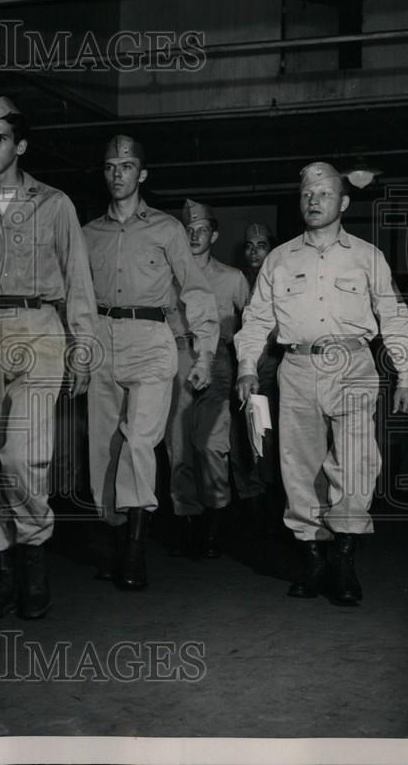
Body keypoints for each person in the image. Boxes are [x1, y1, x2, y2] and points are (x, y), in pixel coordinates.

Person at [235, 161, 408, 605]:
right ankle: (314, 562)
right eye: (306, 195)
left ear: (343, 202)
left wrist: (407, 374)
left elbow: (393, 315)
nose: (313, 201)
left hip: (353, 365)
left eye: (323, 194)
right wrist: (245, 367)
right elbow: (257, 318)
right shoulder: (279, 259)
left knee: (356, 466)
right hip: (296, 368)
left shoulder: (366, 256)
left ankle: (345, 561)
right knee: (299, 470)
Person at [0, 96, 97, 620]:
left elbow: (79, 280)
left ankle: (34, 558)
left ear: (21, 145)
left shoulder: (55, 204)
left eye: (1, 139)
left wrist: (82, 347)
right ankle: (1, 575)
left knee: (22, 457)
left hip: (40, 329)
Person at [82, 135, 219, 590]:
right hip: (102, 339)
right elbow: (77, 299)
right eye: (109, 166)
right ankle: (116, 545)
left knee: (140, 443)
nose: (117, 174)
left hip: (151, 339)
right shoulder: (88, 233)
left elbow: (196, 290)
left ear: (142, 174)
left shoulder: (166, 229)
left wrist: (204, 352)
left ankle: (136, 553)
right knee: (105, 449)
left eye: (126, 166)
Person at [165, 200, 249, 558]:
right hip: (177, 359)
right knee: (179, 448)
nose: (194, 235)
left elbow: (253, 326)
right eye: (188, 230)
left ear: (214, 234)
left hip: (218, 364)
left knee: (211, 445)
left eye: (201, 230)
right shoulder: (167, 279)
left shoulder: (233, 278)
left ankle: (216, 517)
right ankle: (188, 520)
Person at [229, 222, 286, 571]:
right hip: (245, 377)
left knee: (274, 444)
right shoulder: (236, 283)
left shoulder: (283, 280)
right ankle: (254, 514)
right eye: (249, 245)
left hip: (276, 374)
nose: (254, 251)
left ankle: (277, 512)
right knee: (247, 443)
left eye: (261, 245)